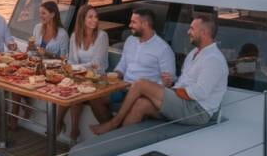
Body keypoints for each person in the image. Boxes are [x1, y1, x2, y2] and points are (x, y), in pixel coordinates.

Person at [90, 14, 227, 134]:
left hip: (196, 110)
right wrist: (169, 86)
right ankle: (117, 142)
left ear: (203, 32)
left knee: (141, 83)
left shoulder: (213, 60)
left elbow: (199, 93)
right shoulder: (194, 53)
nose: (188, 31)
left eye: (192, 28)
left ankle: (113, 124)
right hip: (183, 102)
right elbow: (186, 80)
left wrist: (169, 91)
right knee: (141, 104)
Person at [89, 7, 175, 125]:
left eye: (133, 22)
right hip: (123, 87)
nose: (130, 25)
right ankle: (111, 132)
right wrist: (114, 75)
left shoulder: (163, 49)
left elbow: (169, 81)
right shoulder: (130, 40)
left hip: (143, 94)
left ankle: (112, 129)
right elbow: (123, 65)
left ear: (145, 24)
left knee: (137, 106)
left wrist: (162, 84)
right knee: (95, 98)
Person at [56, 4, 109, 143]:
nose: (94, 20)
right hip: (79, 75)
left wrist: (79, 67)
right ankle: (72, 131)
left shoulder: (102, 36)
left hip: (96, 77)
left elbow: (97, 64)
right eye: (90, 17)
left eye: (96, 17)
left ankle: (60, 125)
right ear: (82, 19)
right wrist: (82, 67)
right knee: (71, 86)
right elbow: (72, 60)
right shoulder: (75, 36)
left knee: (75, 89)